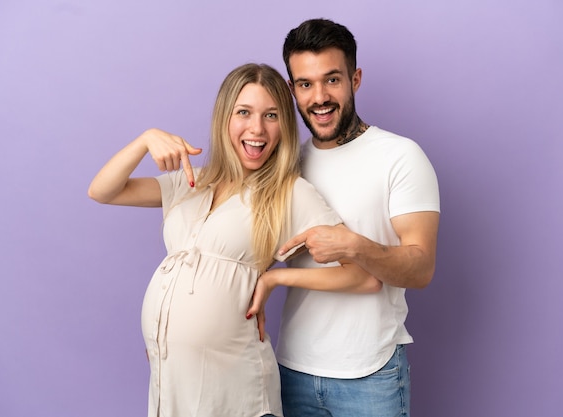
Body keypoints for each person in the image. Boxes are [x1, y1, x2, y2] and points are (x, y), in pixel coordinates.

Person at [88, 63, 379, 417]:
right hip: (172, 382)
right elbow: (103, 190)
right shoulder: (191, 182)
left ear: (283, 126)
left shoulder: (289, 194)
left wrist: (276, 277)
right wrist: (145, 139)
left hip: (236, 391)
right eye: (244, 112)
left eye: (271, 115)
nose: (257, 128)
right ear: (225, 117)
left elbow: (363, 275)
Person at [273, 19, 441, 416]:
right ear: (292, 89)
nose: (319, 97)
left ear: (355, 78)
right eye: (305, 84)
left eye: (332, 80)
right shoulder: (286, 164)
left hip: (372, 373)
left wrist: (352, 245)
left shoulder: (400, 157)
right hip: (290, 369)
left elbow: (421, 270)